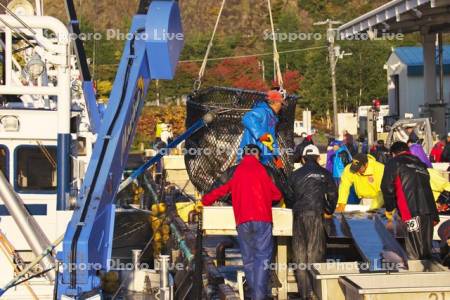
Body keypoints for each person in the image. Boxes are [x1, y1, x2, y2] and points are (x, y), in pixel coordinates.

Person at [201, 144, 282, 300]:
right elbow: (277, 195)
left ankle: (254, 294)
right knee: (262, 259)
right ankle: (259, 296)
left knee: (249, 259)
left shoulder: (235, 171)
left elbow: (219, 190)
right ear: (258, 156)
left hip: (243, 221)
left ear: (243, 156)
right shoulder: (265, 171)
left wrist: (205, 200)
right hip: (263, 220)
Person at [287, 145, 337, 300]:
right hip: (317, 216)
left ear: (303, 159)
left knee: (300, 256)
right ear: (318, 158)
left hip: (298, 216)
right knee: (315, 255)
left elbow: (288, 196)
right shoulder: (325, 174)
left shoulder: (295, 175)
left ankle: (305, 293)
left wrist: (294, 208)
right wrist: (328, 211)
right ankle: (316, 293)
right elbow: (333, 195)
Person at [381, 141, 439, 260]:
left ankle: (418, 274)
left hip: (410, 210)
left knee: (415, 249)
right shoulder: (421, 164)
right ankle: (429, 272)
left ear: (393, 153)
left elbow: (387, 187)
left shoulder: (394, 162)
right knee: (426, 247)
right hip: (429, 211)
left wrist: (389, 208)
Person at [238, 89, 286, 168]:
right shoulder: (262, 111)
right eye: (281, 103)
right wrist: (261, 134)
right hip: (251, 157)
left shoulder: (272, 117)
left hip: (263, 159)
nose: (281, 106)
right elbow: (247, 118)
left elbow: (270, 140)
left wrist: (277, 158)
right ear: (275, 102)